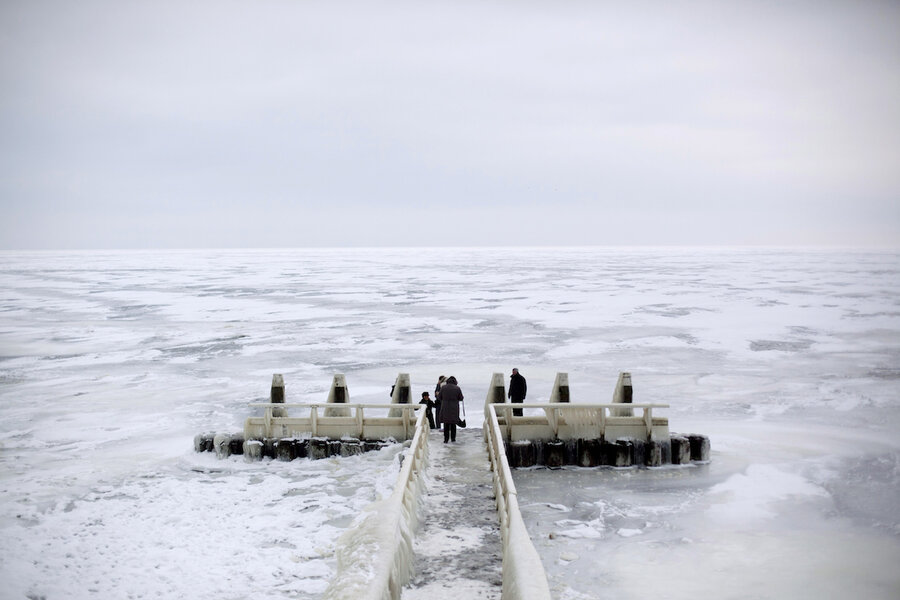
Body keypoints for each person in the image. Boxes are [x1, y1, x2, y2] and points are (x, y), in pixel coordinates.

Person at [438, 375, 463, 443]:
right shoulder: (457, 388)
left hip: (445, 408)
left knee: (446, 424)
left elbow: (439, 397)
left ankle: (446, 440)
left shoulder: (443, 388)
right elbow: (461, 398)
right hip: (454, 409)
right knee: (453, 424)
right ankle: (453, 439)